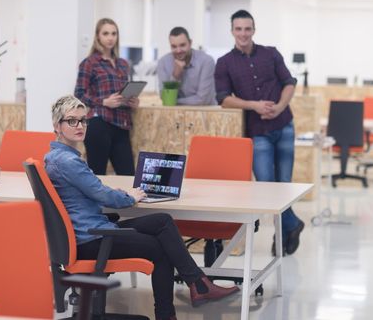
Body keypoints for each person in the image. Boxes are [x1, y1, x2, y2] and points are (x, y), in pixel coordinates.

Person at [44, 95, 239, 320]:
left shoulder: (57, 157)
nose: (80, 126)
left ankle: (198, 283)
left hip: (88, 233)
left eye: (83, 120)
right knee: (160, 248)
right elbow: (101, 194)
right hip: (91, 240)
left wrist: (119, 194)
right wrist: (129, 197)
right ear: (57, 125)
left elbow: (93, 190)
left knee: (162, 221)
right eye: (72, 121)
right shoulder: (68, 162)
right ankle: (172, 310)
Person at [214, 9, 305, 256]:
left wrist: (280, 107)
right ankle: (292, 224)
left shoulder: (271, 54)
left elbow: (289, 82)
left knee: (283, 185)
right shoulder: (224, 63)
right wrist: (254, 105)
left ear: (254, 30)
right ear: (232, 31)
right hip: (258, 131)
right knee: (267, 186)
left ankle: (282, 231)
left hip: (284, 124)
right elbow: (223, 99)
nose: (243, 33)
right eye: (238, 29)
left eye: (247, 28)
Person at [75, 18, 137, 175]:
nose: (110, 37)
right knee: (97, 176)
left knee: (128, 176)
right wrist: (104, 102)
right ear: (98, 36)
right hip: (99, 124)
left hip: (121, 125)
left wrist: (131, 100)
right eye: (106, 33)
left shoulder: (123, 64)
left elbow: (122, 91)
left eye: (114, 33)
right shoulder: (89, 63)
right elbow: (79, 94)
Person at [157, 27, 216, 105]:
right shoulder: (163, 62)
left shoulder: (206, 61)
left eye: (182, 45)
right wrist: (175, 76)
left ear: (190, 43)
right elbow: (164, 97)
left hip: (205, 114)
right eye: (174, 46)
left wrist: (173, 101)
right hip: (176, 115)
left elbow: (203, 100)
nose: (178, 50)